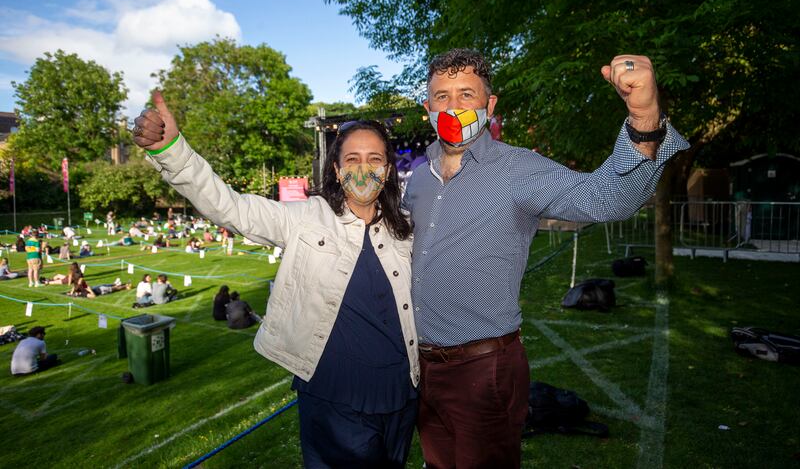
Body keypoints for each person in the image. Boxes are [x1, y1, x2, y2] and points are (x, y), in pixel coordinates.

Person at [396, 49, 690, 467]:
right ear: (427, 107)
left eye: (466, 94)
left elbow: (604, 199)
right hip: (422, 369)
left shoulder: (519, 169)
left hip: (484, 371)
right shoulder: (420, 179)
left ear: (489, 104)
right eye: (441, 96)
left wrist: (644, 119)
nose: (453, 106)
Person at [134, 93, 417, 468]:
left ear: (388, 168)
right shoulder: (304, 218)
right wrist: (171, 150)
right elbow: (230, 207)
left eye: (375, 159)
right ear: (335, 169)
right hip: (334, 398)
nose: (363, 169)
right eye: (352, 159)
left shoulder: (407, 228)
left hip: (403, 392)